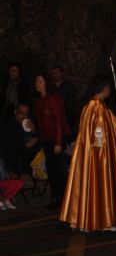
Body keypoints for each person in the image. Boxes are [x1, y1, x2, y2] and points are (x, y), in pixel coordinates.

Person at [60, 75, 116, 232]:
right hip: (99, 155)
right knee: (100, 186)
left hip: (88, 154)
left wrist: (114, 122)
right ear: (104, 89)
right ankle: (102, 221)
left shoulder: (88, 107)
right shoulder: (99, 109)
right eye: (108, 88)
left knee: (88, 186)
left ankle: (85, 220)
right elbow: (100, 134)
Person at [34, 72, 71, 210]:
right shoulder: (39, 101)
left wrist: (57, 142)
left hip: (55, 139)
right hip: (47, 140)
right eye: (36, 81)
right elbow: (41, 121)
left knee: (60, 171)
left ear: (46, 84)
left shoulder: (53, 99)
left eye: (40, 81)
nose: (37, 84)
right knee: (52, 171)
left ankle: (65, 200)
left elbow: (58, 121)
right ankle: (57, 199)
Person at [0, 103, 40, 177]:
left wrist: (34, 131)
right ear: (15, 112)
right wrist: (26, 146)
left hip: (30, 159)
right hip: (15, 161)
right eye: (21, 113)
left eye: (26, 113)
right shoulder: (9, 126)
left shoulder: (29, 124)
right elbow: (9, 148)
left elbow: (39, 141)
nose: (24, 116)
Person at [50, 65, 77, 131]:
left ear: (62, 73)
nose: (55, 74)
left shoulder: (69, 86)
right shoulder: (50, 88)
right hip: (53, 120)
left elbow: (71, 103)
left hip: (66, 119)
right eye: (53, 73)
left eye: (57, 72)